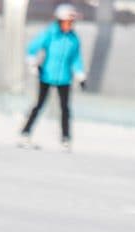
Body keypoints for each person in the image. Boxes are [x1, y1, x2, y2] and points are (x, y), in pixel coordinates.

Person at [19, 4, 86, 150]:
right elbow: (32, 48)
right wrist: (33, 64)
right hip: (47, 75)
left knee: (65, 109)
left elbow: (76, 58)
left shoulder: (73, 39)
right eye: (68, 22)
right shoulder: (50, 34)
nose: (70, 25)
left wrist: (80, 75)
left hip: (64, 78)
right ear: (60, 20)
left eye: (72, 22)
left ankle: (65, 139)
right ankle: (25, 133)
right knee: (39, 105)